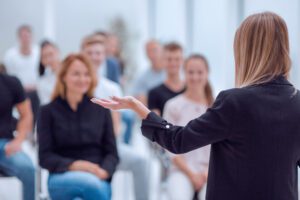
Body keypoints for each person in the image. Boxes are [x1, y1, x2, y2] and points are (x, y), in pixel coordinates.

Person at [92, 12, 300, 200]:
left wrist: (139, 109)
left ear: (246, 51)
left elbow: (178, 140)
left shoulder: (235, 102)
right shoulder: (296, 102)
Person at [38, 54, 119, 200]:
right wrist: (78, 166)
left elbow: (112, 153)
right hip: (62, 177)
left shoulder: (101, 110)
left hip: (98, 176)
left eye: (86, 74)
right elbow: (44, 157)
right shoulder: (47, 111)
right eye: (76, 74)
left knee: (93, 186)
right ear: (63, 77)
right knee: (90, 185)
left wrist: (105, 171)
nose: (82, 79)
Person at [81, 35, 150, 200]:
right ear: (82, 55)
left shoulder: (112, 88)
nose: (94, 57)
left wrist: (106, 149)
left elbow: (116, 126)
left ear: (104, 56)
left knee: (140, 162)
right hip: (80, 149)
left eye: (98, 53)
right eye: (89, 53)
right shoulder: (75, 87)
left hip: (109, 147)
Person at [163, 54, 213, 200]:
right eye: (191, 72)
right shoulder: (173, 106)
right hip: (181, 170)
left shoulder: (216, 107)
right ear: (184, 73)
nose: (195, 77)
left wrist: (207, 173)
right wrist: (191, 174)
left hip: (210, 172)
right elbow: (169, 147)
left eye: (200, 72)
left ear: (207, 74)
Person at [0, 73, 35, 200]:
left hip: (5, 145)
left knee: (28, 168)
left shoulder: (11, 82)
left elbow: (26, 115)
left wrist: (18, 140)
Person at [4, 25, 40, 123]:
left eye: (27, 36)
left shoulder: (38, 53)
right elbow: (8, 75)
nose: (25, 39)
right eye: (23, 36)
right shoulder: (10, 55)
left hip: (36, 93)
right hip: (17, 93)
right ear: (19, 38)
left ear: (31, 37)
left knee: (35, 117)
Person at [148, 42, 185, 116]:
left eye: (177, 59)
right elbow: (155, 122)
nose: (173, 63)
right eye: (169, 59)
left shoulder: (190, 90)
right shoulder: (154, 93)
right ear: (163, 61)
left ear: (182, 61)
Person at [131, 39, 165, 105]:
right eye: (149, 51)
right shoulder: (142, 78)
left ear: (162, 51)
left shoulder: (174, 72)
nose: (152, 54)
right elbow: (138, 100)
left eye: (155, 50)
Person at [37, 40, 61, 105]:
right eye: (44, 57)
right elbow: (47, 105)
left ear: (58, 52)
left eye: (51, 54)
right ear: (41, 61)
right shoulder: (42, 83)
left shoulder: (72, 71)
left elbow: (90, 96)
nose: (49, 60)